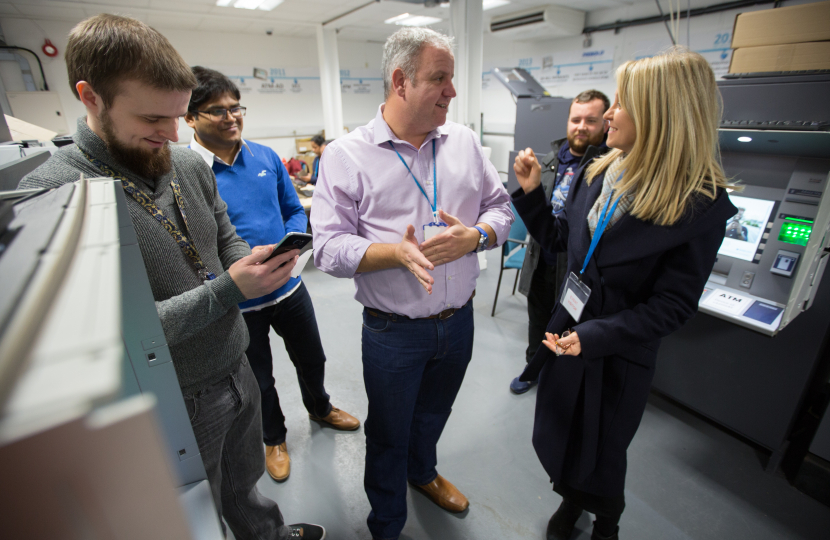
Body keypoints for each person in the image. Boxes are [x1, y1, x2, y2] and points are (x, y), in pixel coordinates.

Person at [19, 14, 325, 540]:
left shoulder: (185, 163)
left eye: (180, 116)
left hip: (236, 360)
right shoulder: (55, 193)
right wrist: (230, 290)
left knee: (243, 482)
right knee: (195, 511)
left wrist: (250, 260)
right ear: (90, 96)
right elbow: (108, 335)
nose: (174, 133)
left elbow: (223, 236)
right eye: (154, 119)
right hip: (169, 395)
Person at [511, 47, 737, 540]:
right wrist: (530, 193)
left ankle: (606, 522)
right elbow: (560, 247)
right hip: (566, 332)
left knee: (604, 451)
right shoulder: (599, 172)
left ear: (662, 113)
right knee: (565, 434)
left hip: (616, 353)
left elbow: (673, 305)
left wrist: (594, 336)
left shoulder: (697, 206)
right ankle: (572, 501)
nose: (608, 114)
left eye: (622, 103)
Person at [311, 27, 513, 540]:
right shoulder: (346, 156)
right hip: (392, 331)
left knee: (432, 416)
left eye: (451, 79)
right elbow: (328, 250)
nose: (451, 91)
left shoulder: (464, 141)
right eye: (439, 79)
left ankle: (422, 474)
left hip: (458, 321)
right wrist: (391, 253)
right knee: (387, 434)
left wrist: (479, 237)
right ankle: (386, 524)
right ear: (401, 81)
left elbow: (501, 207)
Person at [185, 66, 360, 485]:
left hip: (289, 288)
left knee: (312, 358)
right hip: (238, 303)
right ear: (189, 117)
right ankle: (274, 438)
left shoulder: (265, 157)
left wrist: (291, 243)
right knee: (259, 378)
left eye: (236, 108)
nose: (231, 118)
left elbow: (294, 208)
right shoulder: (187, 172)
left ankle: (320, 407)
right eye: (216, 111)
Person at [510, 89, 611, 395]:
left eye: (590, 120)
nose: (581, 126)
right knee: (537, 317)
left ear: (605, 124)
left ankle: (558, 379)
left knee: (567, 327)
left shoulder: (606, 167)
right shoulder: (555, 158)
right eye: (576, 119)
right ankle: (532, 369)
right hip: (542, 255)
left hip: (577, 266)